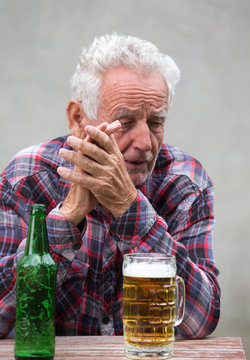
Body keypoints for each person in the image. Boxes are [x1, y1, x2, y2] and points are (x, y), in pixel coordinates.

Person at [0, 33, 220, 338]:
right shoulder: (27, 177)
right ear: (78, 118)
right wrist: (67, 216)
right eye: (125, 122)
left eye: (156, 123)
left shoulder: (185, 184)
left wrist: (130, 208)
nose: (145, 143)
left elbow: (201, 319)